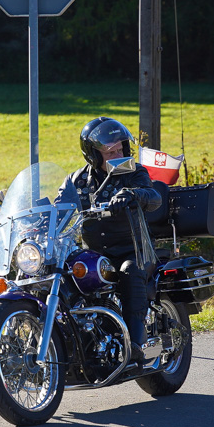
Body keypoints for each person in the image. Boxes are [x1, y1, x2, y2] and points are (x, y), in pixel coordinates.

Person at [58, 117, 162, 362]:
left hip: (133, 251)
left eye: (120, 148)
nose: (117, 154)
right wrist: (39, 221)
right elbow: (59, 208)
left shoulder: (133, 172)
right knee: (64, 275)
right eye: (109, 151)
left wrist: (132, 194)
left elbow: (154, 196)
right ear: (93, 154)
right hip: (95, 256)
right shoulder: (76, 181)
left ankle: (136, 343)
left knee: (129, 271)